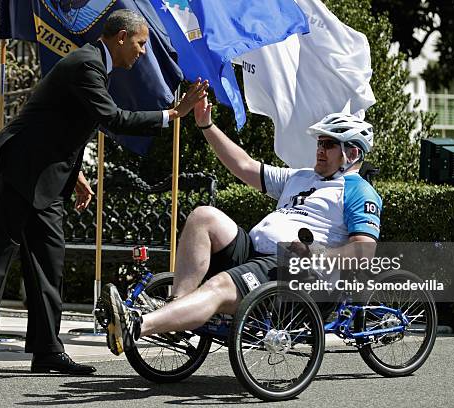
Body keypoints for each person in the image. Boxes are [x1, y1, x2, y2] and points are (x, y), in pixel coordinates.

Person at [0, 9, 208, 379]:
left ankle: (47, 350)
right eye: (140, 44)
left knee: (48, 263)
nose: (141, 52)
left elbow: (64, 124)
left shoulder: (96, 66)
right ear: (120, 37)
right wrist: (172, 114)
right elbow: (111, 119)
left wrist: (76, 174)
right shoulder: (86, 63)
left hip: (48, 176)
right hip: (18, 171)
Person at [99, 96, 382, 355]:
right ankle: (176, 312)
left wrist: (317, 253)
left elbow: (363, 252)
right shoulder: (300, 177)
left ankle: (137, 325)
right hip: (256, 253)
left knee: (220, 285)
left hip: (294, 269)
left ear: (353, 153)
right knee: (203, 215)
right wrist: (207, 125)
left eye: (329, 144)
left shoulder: (359, 191)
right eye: (320, 143)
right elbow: (244, 165)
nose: (320, 150)